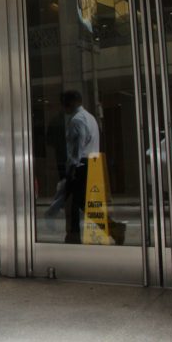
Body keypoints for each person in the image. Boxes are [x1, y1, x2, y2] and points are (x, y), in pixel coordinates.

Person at [60, 90, 99, 244]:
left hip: (80, 165)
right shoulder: (90, 117)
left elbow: (77, 148)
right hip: (92, 162)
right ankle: (113, 228)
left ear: (71, 102)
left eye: (65, 103)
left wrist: (71, 169)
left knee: (72, 203)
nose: (63, 107)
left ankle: (73, 235)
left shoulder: (76, 120)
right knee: (84, 202)